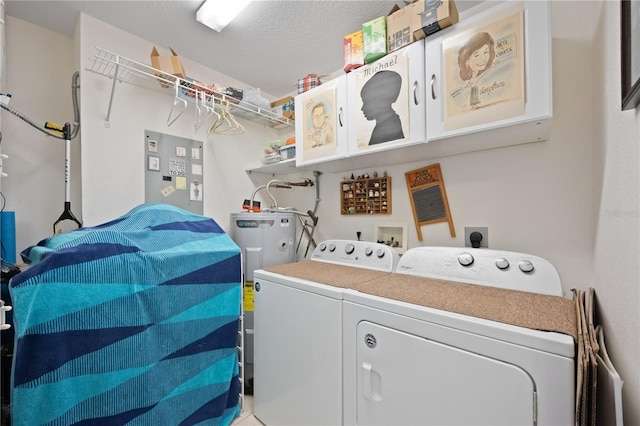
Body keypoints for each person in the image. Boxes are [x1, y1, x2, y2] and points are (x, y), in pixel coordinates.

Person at [360, 70, 404, 145]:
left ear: (380, 101)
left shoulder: (389, 127)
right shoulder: (385, 124)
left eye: (366, 102)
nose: (362, 108)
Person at [457, 32, 495, 109]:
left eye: (486, 52)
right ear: (467, 60)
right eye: (477, 55)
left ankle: (475, 105)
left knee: (475, 96)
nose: (483, 59)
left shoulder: (489, 74)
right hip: (473, 89)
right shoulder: (471, 76)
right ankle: (474, 105)